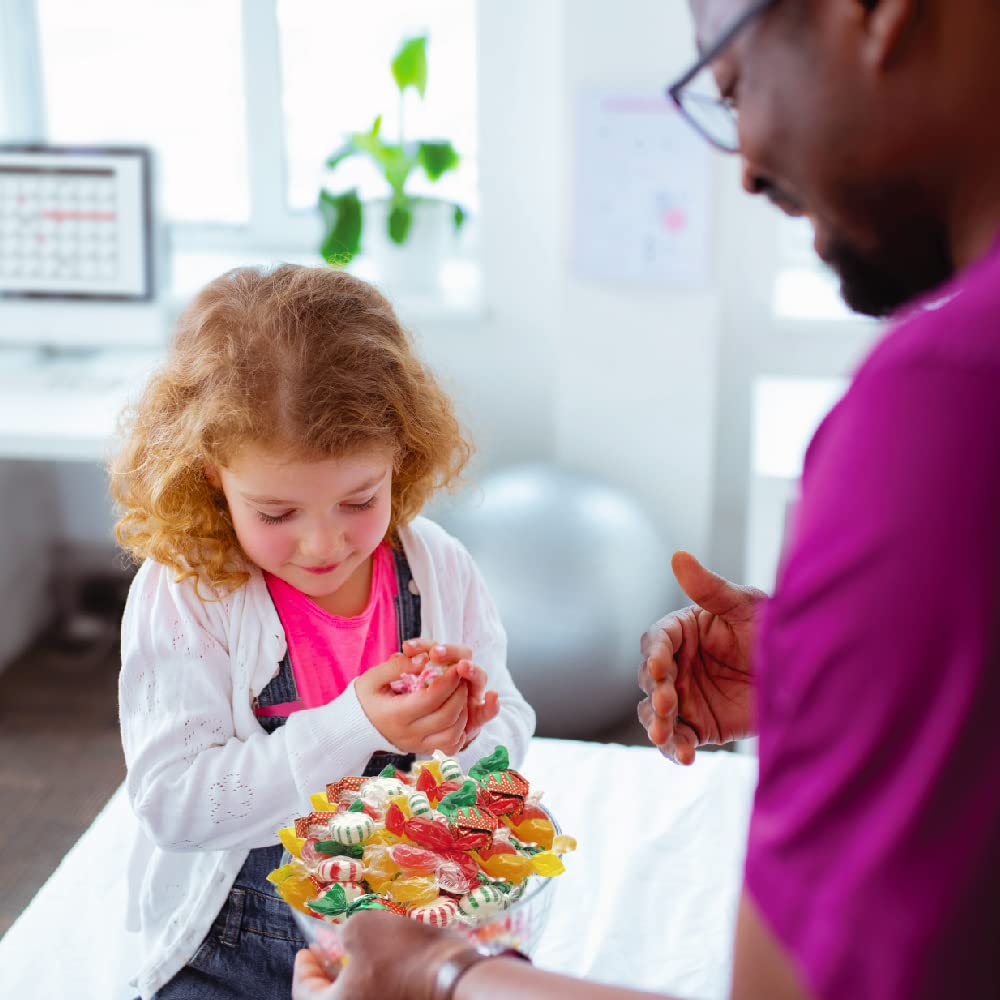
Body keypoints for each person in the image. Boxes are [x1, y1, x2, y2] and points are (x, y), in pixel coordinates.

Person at [295, 1, 1000, 997]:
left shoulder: (945, 404)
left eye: (733, 84)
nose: (746, 164)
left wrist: (442, 972)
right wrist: (829, 667)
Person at [111, 263, 535, 1000]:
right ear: (213, 473)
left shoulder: (437, 569)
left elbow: (512, 729)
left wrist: (464, 736)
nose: (323, 545)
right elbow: (175, 806)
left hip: (408, 933)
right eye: (278, 514)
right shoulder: (187, 593)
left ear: (398, 455)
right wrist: (356, 724)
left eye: (359, 500)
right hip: (230, 946)